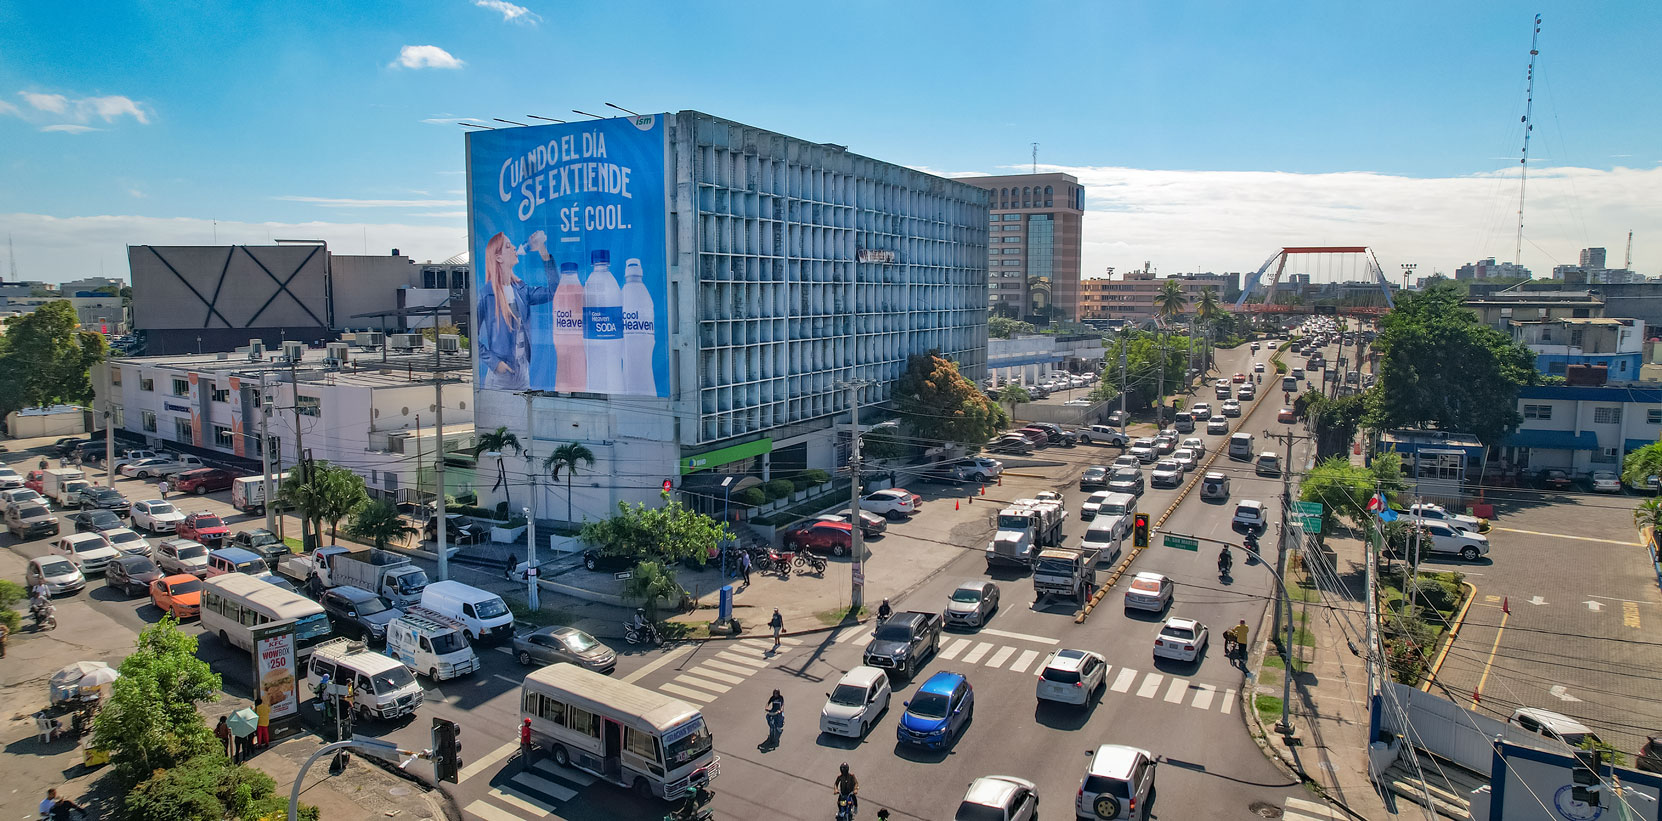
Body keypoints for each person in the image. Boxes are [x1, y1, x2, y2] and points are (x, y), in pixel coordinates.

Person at [477, 230, 555, 391]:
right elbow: (471, 335)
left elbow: (553, 291)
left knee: (524, 416)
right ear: (498, 258)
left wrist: (543, 251)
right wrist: (495, 363)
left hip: (522, 371)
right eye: (507, 246)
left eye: (512, 245)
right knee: (501, 416)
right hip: (501, 376)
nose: (514, 248)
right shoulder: (487, 294)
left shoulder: (521, 290)